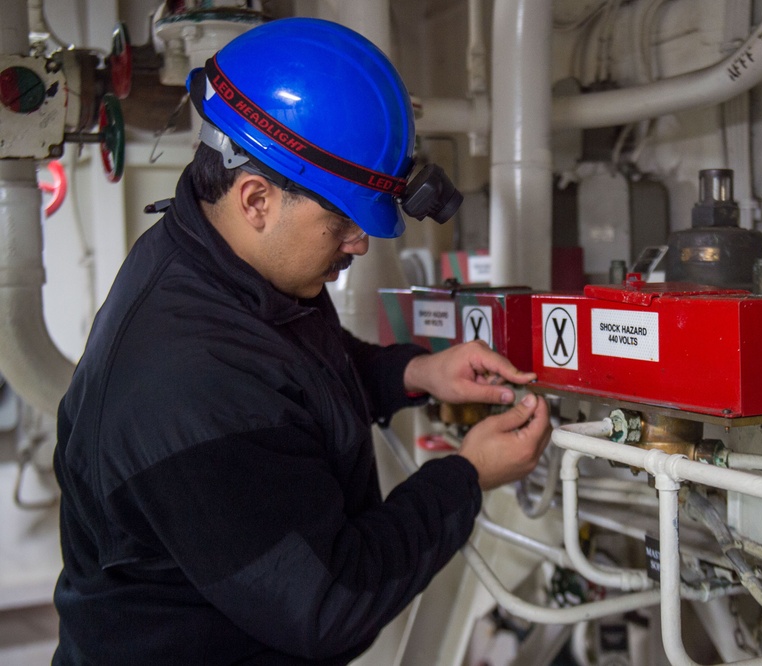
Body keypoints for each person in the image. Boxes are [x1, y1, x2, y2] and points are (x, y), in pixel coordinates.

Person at [51, 17, 551, 665]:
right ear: (256, 198)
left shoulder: (217, 263)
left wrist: (416, 374)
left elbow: (294, 376)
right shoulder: (187, 379)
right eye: (342, 219)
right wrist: (467, 476)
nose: (360, 242)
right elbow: (330, 601)